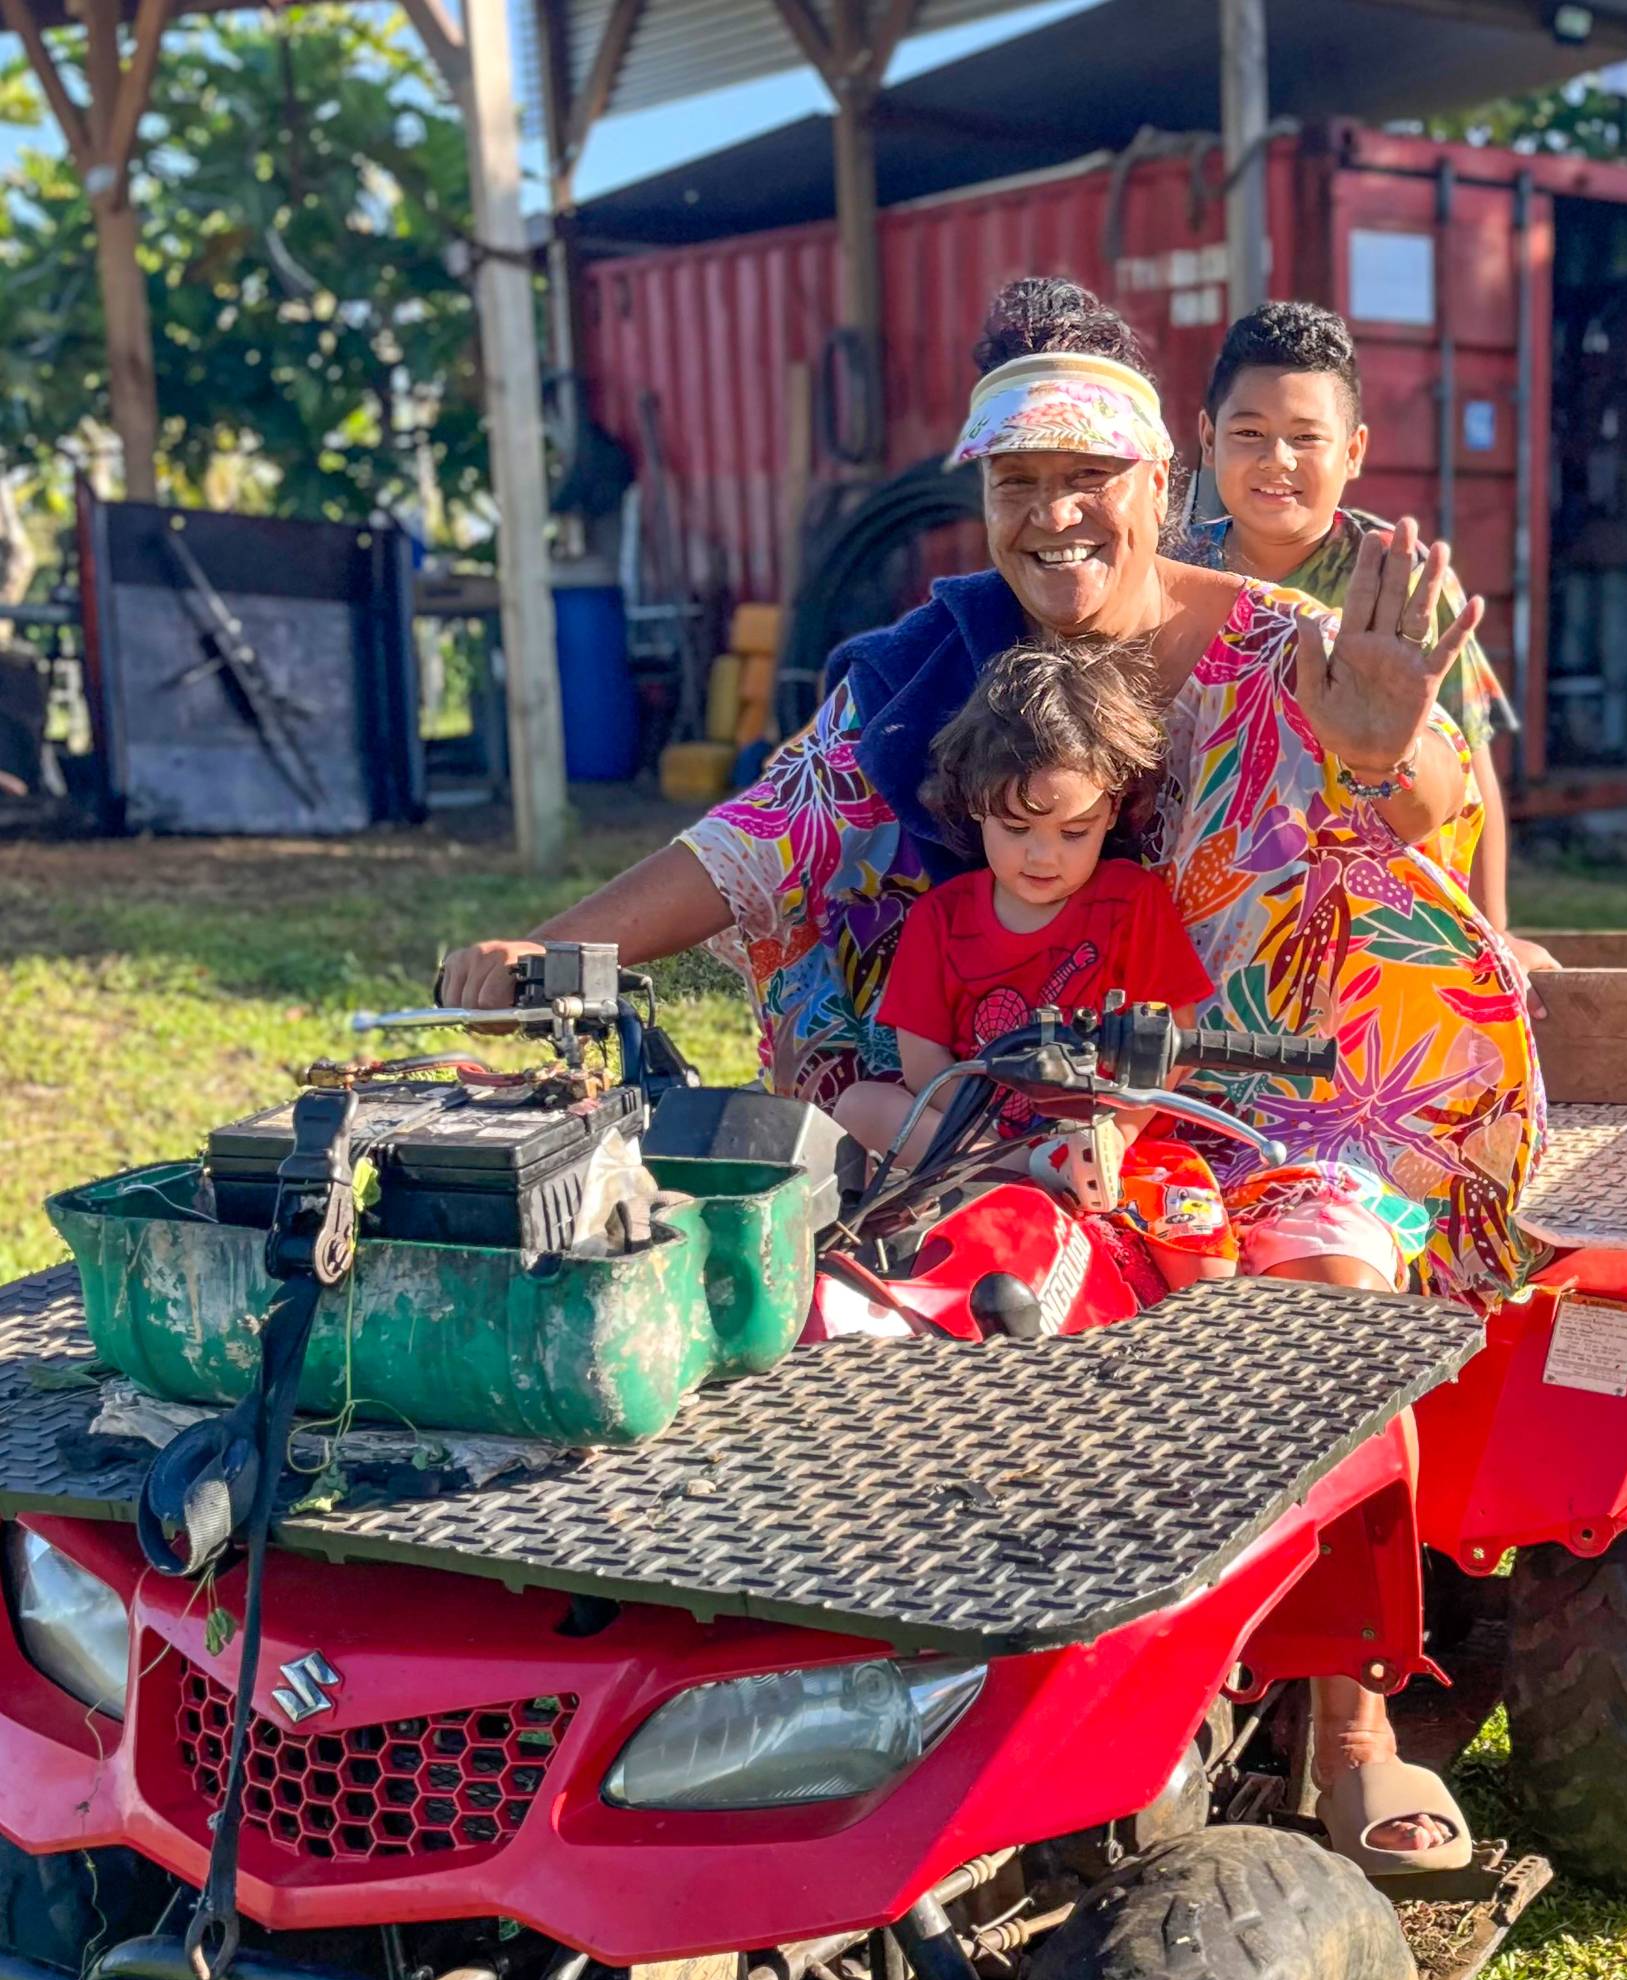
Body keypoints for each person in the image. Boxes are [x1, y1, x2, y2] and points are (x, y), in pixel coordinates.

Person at [441, 276, 1545, 1867]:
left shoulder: (1277, 640)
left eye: (1087, 478)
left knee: (1327, 1283)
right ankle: (849, 1676)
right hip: (975, 1088)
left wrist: (1389, 753)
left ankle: (1348, 1717)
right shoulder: (925, 661)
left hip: (1264, 1099)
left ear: (1160, 485)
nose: (1054, 517)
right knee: (809, 1265)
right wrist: (552, 960)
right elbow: (770, 833)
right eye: (1015, 485)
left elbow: (1419, 779)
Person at [836, 639, 1238, 1284]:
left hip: (1114, 1142)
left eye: (1073, 833)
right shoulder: (942, 918)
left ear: (1111, 810)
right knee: (858, 1103)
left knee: (1206, 1269)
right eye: (1016, 830)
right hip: (978, 1144)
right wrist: (1015, 1149)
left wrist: (1114, 1134)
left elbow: (1176, 1041)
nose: (1043, 858)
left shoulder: (1130, 901)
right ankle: (1025, 1176)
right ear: (974, 806)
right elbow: (924, 1069)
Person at [1192, 298, 1555, 989]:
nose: (1277, 460)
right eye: (1249, 433)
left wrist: (1494, 931)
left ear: (1354, 450)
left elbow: (1473, 774)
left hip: (1370, 926)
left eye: (1306, 437)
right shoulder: (1175, 576)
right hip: (1211, 927)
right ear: (1207, 440)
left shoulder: (1398, 586)